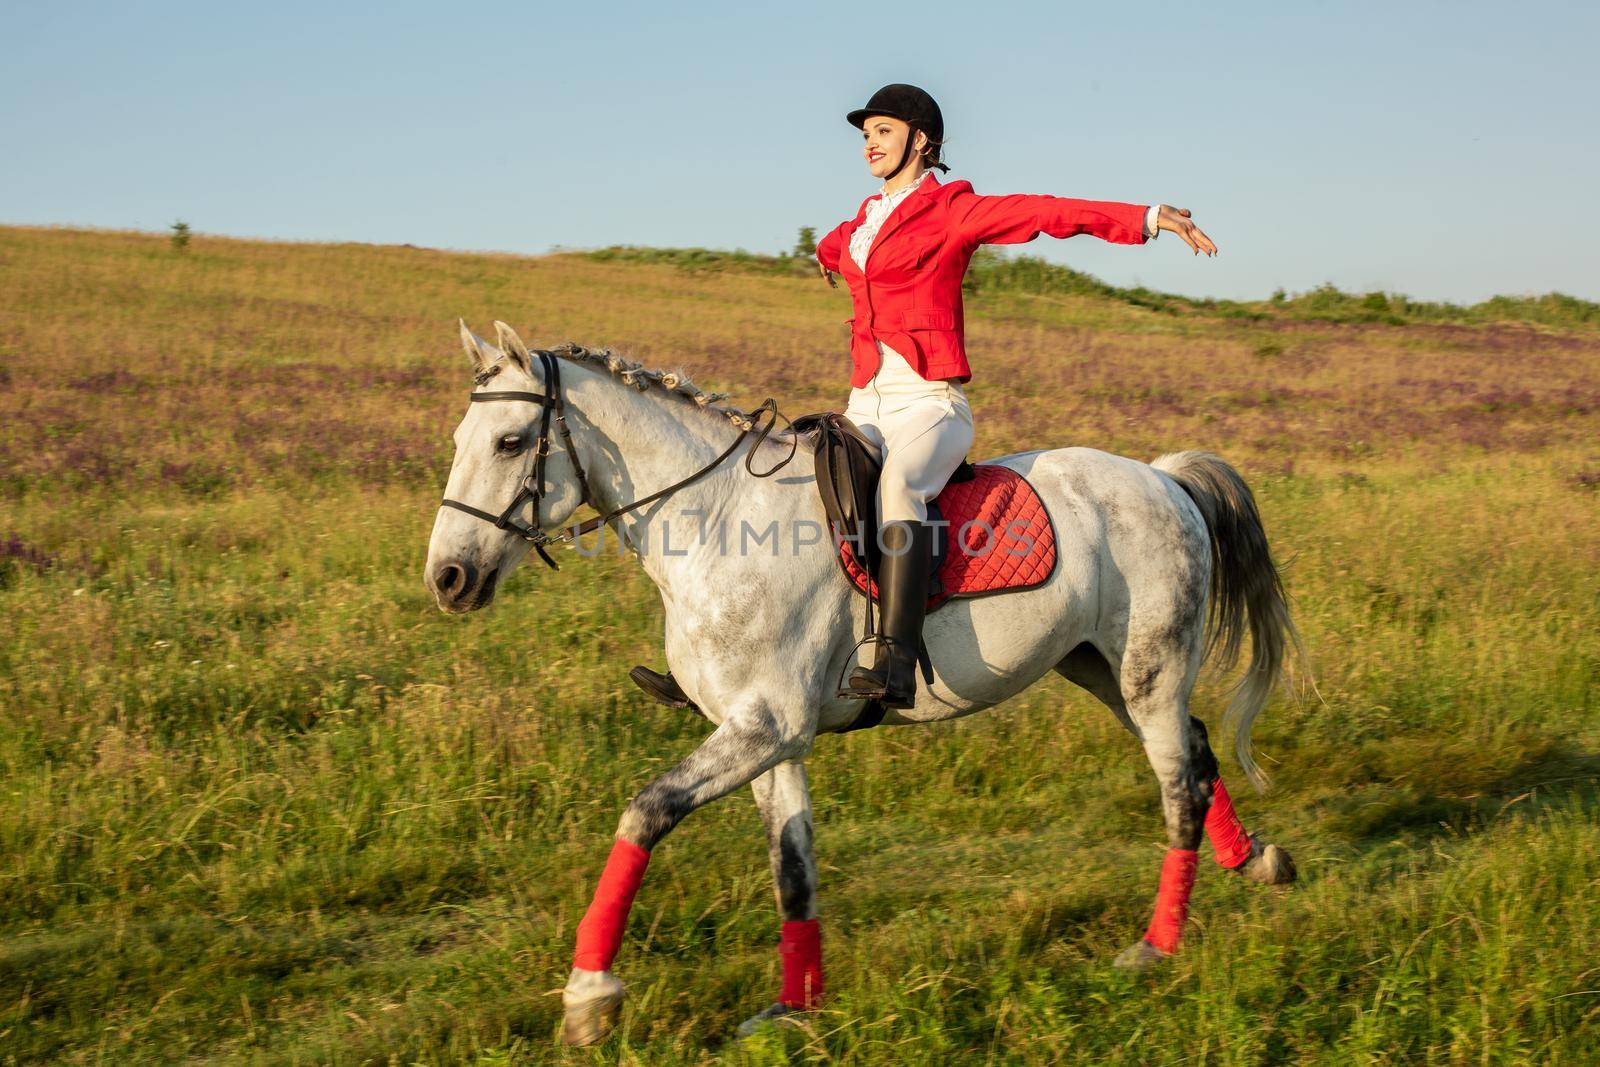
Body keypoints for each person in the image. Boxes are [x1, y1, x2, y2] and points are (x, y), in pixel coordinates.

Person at [631, 82, 1217, 713]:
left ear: (920, 140)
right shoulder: (859, 223)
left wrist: (1147, 218)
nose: (869, 146)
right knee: (791, 493)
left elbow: (1043, 212)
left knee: (899, 489)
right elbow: (835, 245)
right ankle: (724, 670)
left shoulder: (952, 211)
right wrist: (826, 257)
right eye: (864, 136)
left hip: (931, 406)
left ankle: (897, 659)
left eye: (882, 133)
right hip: (865, 407)